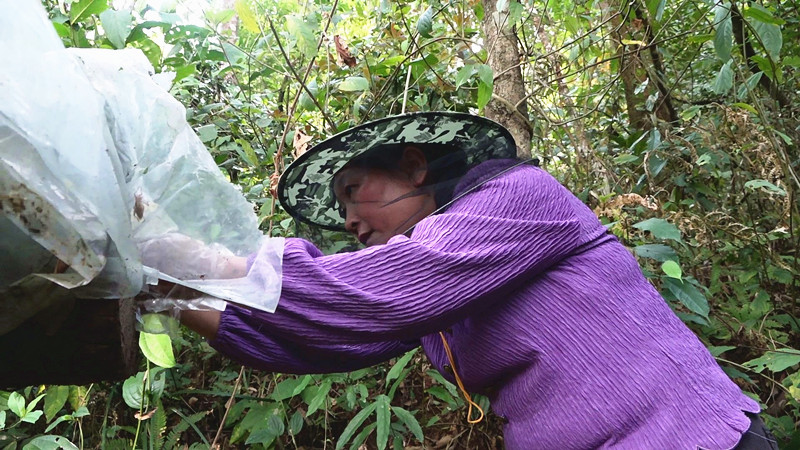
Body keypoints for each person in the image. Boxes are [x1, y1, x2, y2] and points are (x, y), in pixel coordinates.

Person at [143, 112, 777, 449]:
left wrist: (166, 248)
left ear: (414, 167)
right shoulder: (440, 288)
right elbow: (314, 337)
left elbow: (383, 290)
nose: (350, 220)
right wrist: (158, 289)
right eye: (340, 209)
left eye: (355, 193)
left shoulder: (515, 197)